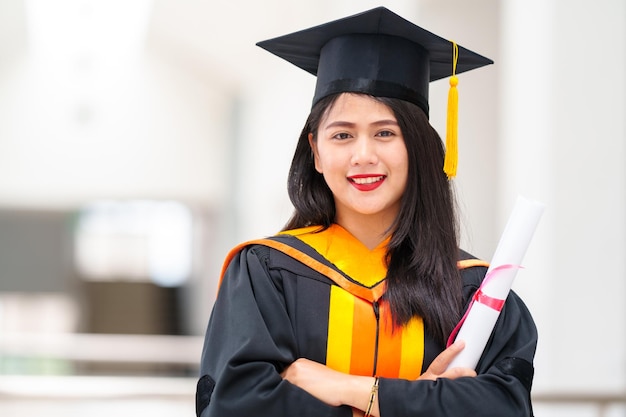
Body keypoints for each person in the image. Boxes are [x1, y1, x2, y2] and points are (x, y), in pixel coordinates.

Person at [196, 6, 537, 417]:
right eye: (342, 134)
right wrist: (419, 402)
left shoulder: (475, 290)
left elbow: (503, 408)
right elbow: (239, 407)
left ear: (419, 148)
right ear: (316, 152)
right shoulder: (265, 275)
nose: (363, 155)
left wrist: (349, 388)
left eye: (385, 133)